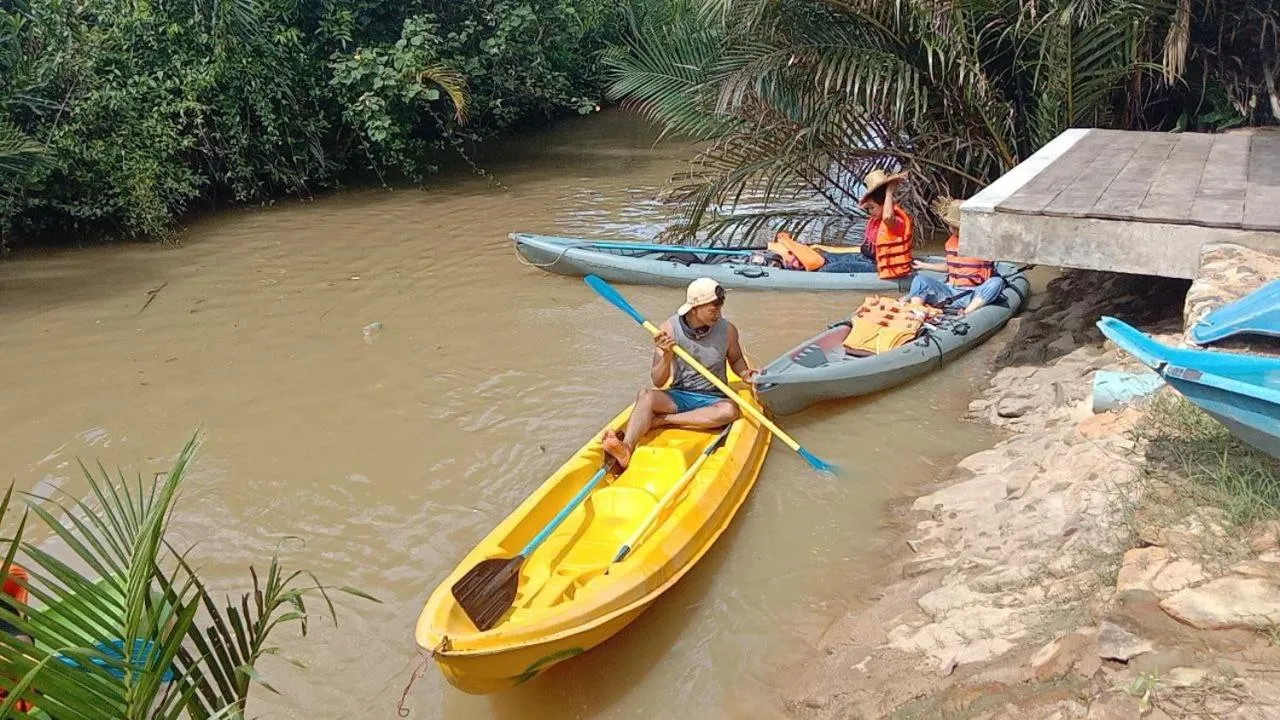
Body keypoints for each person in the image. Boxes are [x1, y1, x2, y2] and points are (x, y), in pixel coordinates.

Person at [601, 278, 758, 469]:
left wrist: (745, 373)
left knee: (730, 411)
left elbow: (736, 359)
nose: (718, 315)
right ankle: (626, 448)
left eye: (719, 309)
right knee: (645, 395)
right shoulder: (668, 330)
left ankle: (660, 421)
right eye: (713, 311)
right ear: (694, 309)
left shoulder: (727, 330)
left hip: (713, 398)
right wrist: (667, 355)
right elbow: (658, 381)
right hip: (679, 395)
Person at [906, 197, 1004, 315]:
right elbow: (950, 266)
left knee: (997, 282)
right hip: (950, 291)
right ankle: (917, 310)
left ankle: (967, 312)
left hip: (973, 293)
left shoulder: (983, 242)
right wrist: (924, 265)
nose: (952, 229)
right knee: (920, 280)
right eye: (951, 225)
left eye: (956, 227)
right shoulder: (950, 243)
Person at [857, 168, 915, 279]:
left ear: (885, 204)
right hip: (865, 259)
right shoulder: (877, 221)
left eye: (872, 208)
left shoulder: (896, 222)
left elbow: (888, 217)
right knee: (830, 258)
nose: (870, 212)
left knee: (829, 267)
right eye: (868, 208)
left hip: (879, 267)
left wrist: (889, 192)